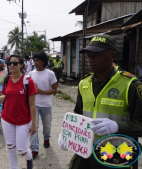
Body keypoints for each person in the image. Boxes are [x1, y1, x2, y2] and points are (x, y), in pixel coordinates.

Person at [58, 34, 142, 169]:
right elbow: (78, 115)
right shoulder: (84, 83)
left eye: (96, 55)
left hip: (115, 155)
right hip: (85, 152)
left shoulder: (130, 85)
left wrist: (117, 126)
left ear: (112, 56)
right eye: (88, 55)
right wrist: (68, 133)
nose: (90, 59)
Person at [0, 55, 37, 169]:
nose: (12, 65)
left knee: (22, 149)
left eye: (15, 63)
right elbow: (5, 97)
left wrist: (33, 124)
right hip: (7, 118)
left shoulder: (28, 81)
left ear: (21, 65)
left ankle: (29, 158)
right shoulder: (7, 79)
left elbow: (32, 105)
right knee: (10, 147)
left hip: (23, 120)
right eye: (9, 63)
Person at [28, 51, 57, 159]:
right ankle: (34, 149)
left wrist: (43, 92)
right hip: (33, 105)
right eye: (34, 60)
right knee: (33, 127)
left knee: (47, 126)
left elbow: (54, 90)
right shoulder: (30, 74)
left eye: (37, 60)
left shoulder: (50, 73)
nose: (35, 62)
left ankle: (46, 138)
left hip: (46, 105)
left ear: (43, 61)